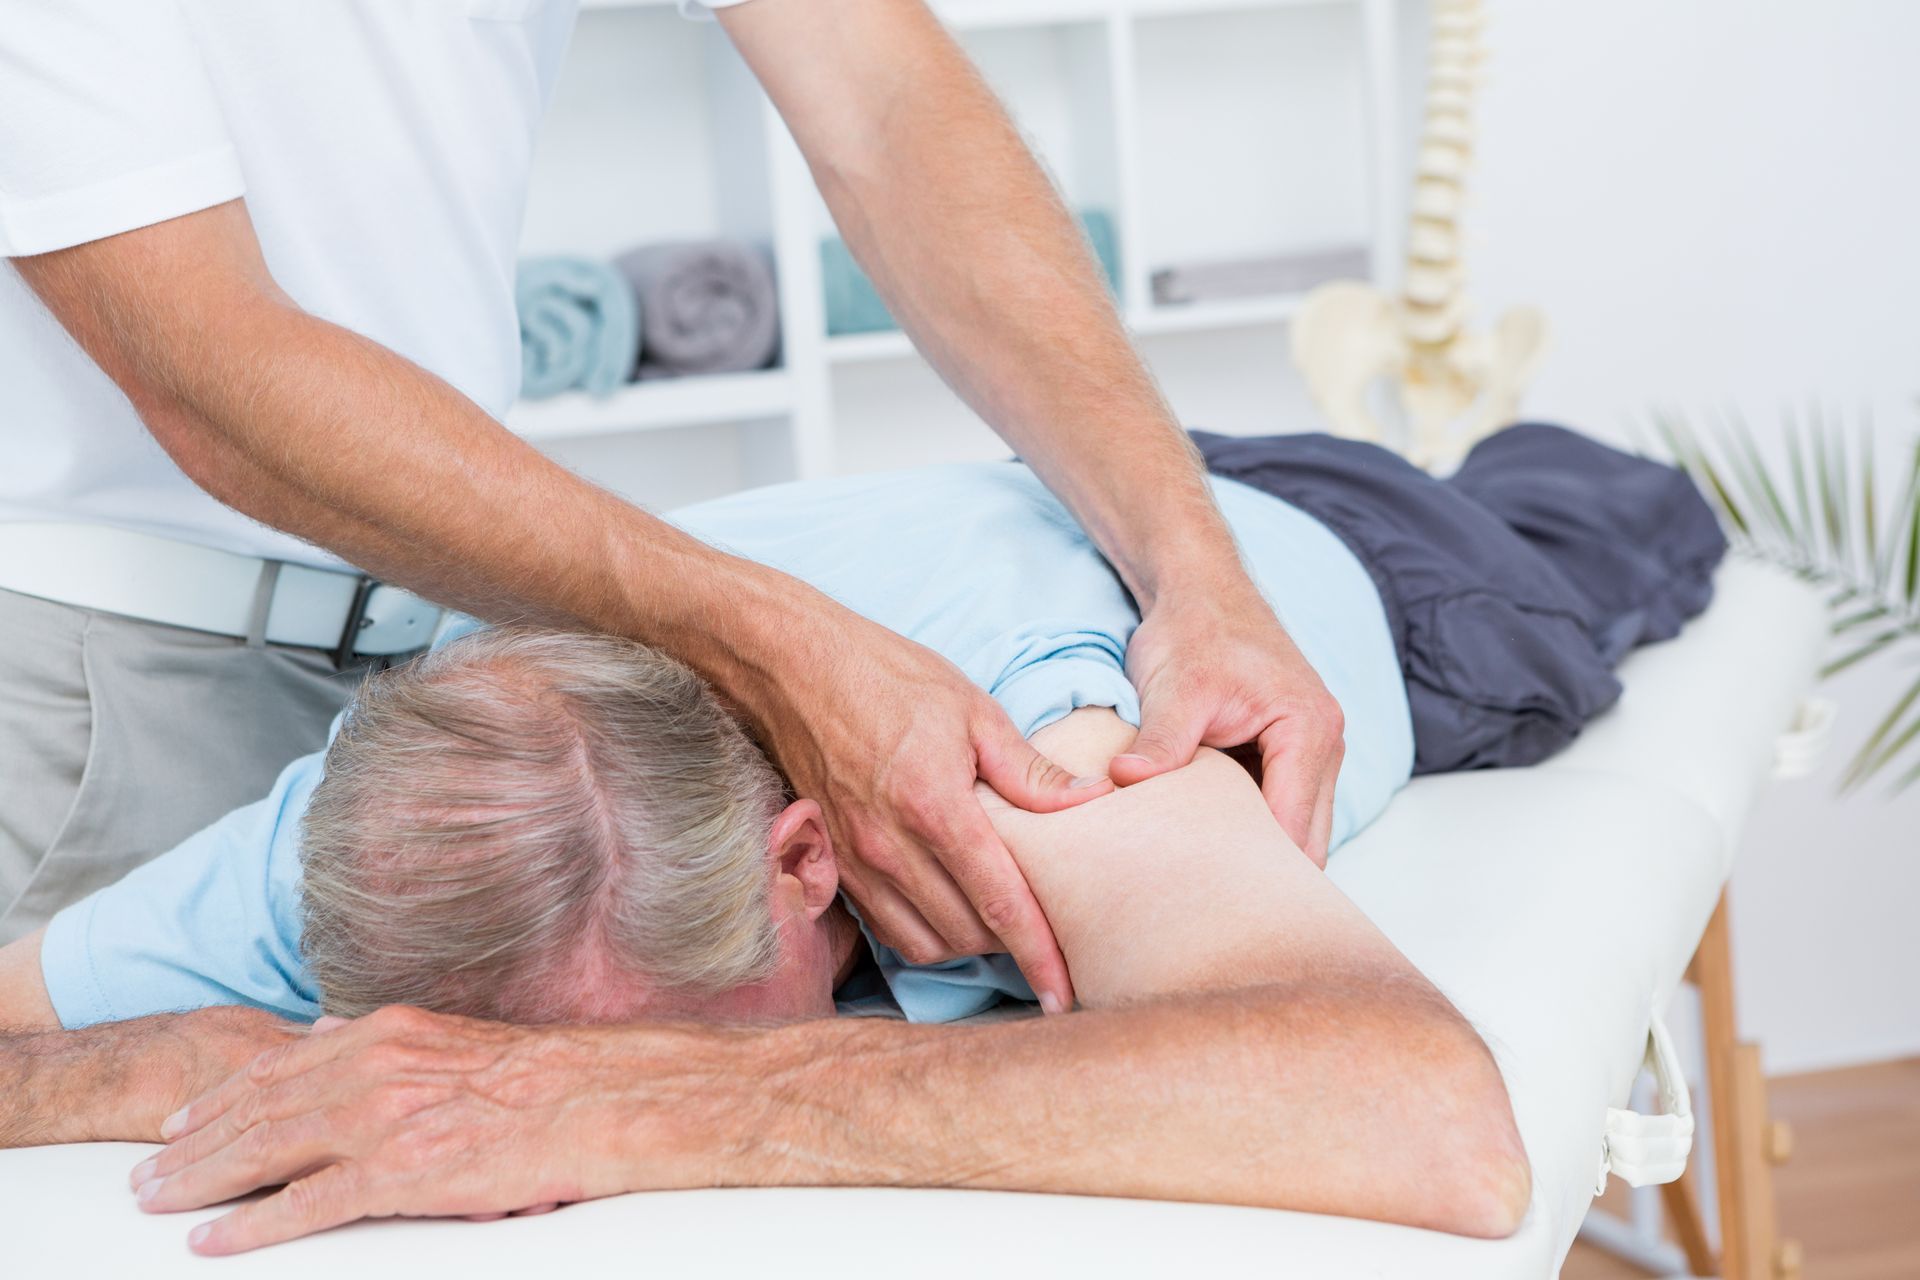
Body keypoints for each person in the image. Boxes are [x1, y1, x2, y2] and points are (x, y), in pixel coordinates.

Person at [0, 427, 1727, 1253]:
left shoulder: (1040, 769)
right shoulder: (372, 839)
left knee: (1610, 520)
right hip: (968, 513)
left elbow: (1431, 1121)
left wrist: (637, 1100)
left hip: (1361, 565)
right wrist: (178, 1057)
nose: (482, 1084)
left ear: (808, 863)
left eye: (642, 1030)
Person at [0, 1, 1346, 1020]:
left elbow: (880, 98)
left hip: (452, 639)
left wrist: (1193, 572)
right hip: (114, 680)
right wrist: (769, 638)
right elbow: (208, 361)